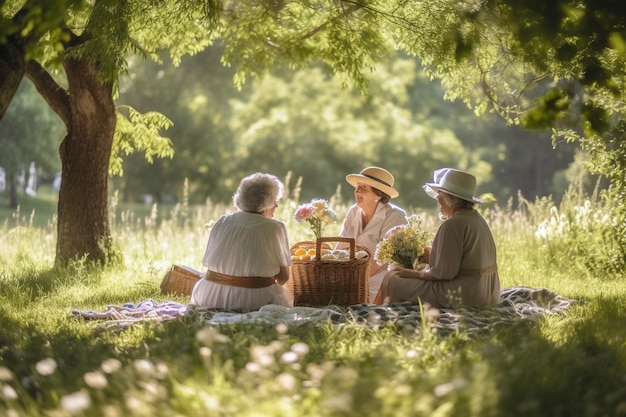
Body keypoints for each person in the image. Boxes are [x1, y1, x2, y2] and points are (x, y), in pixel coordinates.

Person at [376, 168, 501, 308]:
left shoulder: (452, 224)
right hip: (488, 292)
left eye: (440, 194)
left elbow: (443, 274)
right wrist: (433, 256)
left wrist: (409, 273)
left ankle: (381, 314)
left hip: (465, 294)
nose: (437, 198)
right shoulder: (476, 218)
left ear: (450, 199)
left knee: (392, 279)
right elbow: (462, 262)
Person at [190, 172, 294, 312]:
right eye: (275, 200)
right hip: (254, 301)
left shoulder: (222, 221)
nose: (277, 205)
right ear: (267, 202)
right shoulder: (275, 228)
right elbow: (283, 277)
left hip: (210, 296)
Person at [337, 166, 408, 302]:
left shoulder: (395, 216)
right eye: (357, 186)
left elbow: (382, 261)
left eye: (363, 187)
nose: (357, 190)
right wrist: (332, 268)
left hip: (383, 274)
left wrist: (352, 278)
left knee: (362, 297)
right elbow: (341, 246)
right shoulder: (353, 212)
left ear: (378, 195)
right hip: (351, 272)